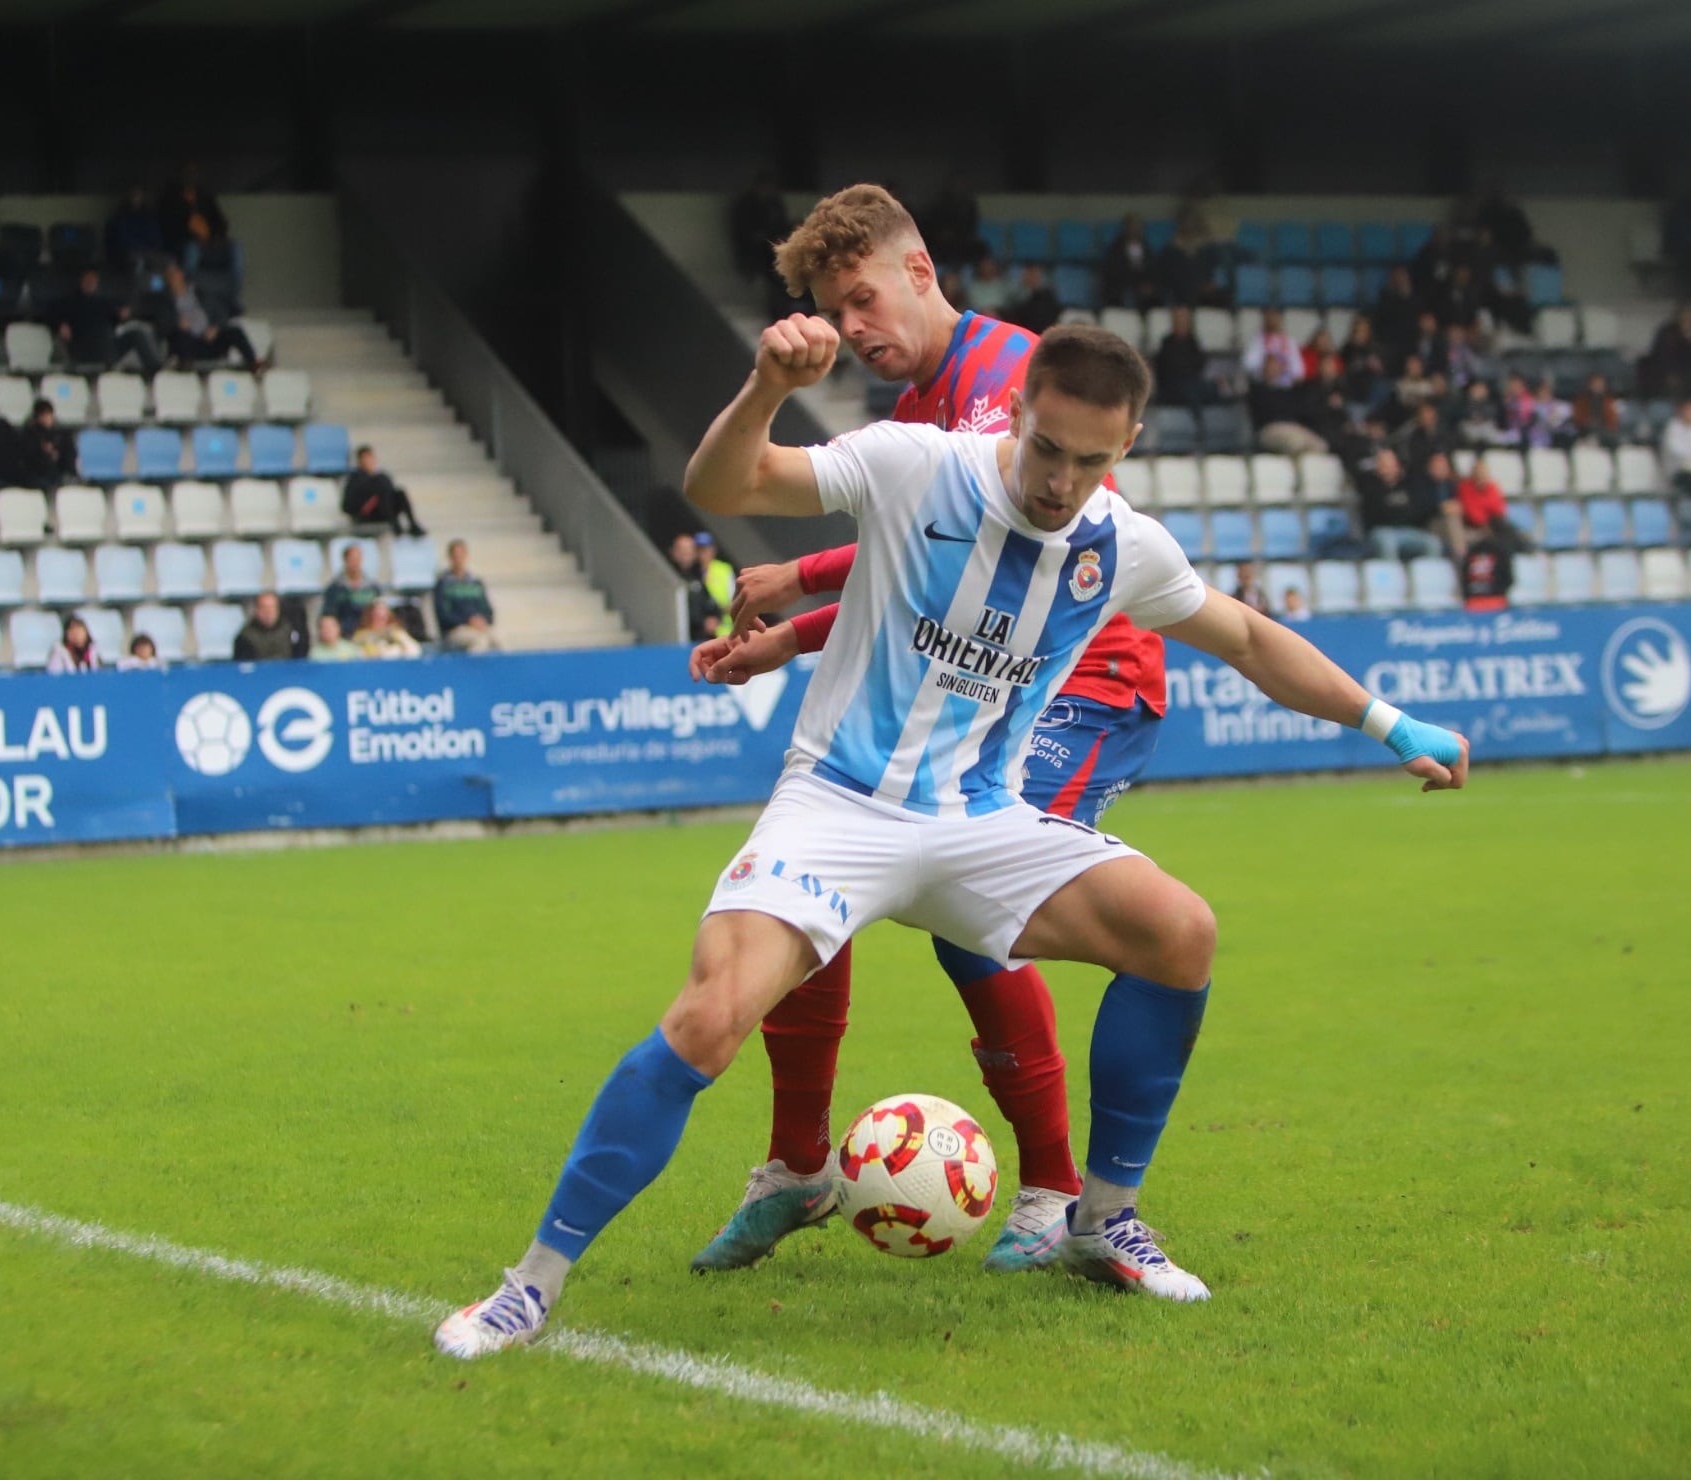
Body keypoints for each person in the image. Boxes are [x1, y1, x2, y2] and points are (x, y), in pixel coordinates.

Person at [431, 317, 1469, 1360]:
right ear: (1016, 412)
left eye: (1092, 460)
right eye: (1048, 447)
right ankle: (528, 1286)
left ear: (1130, 445)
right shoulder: (913, 465)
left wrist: (1388, 723)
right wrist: (763, 387)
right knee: (708, 1018)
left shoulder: (1123, 546)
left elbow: (1246, 636)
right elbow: (725, 487)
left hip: (982, 822)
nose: (1061, 480)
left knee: (1179, 932)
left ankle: (1099, 1219)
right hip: (839, 804)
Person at [664, 184, 1188, 1279]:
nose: (854, 328)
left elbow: (995, 546)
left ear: (919, 271)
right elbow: (924, 570)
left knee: (971, 916)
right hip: (984, 683)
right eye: (832, 309)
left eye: (861, 298)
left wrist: (799, 577)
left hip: (1081, 682)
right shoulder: (914, 421)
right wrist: (790, 636)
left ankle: (1052, 1188)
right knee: (811, 878)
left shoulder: (1004, 377)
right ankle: (799, 1162)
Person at [54, 268, 163, 374]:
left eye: (93, 281)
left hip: (108, 346)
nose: (91, 283)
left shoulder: (102, 303)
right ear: (82, 281)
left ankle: (155, 370)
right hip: (84, 347)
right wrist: (60, 325)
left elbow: (116, 318)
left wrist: (122, 315)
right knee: (102, 333)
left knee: (136, 334)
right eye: (88, 280)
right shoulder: (70, 302)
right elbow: (50, 315)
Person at [162, 262, 257, 369]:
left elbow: (222, 314)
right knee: (180, 337)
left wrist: (216, 328)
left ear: (181, 274)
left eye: (175, 273)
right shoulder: (166, 301)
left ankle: (253, 364)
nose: (174, 277)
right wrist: (177, 323)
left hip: (209, 338)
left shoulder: (200, 293)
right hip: (189, 342)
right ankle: (185, 367)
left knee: (235, 331)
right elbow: (163, 325)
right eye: (170, 275)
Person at [1354, 446, 1441, 561]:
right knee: (1388, 542)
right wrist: (1399, 512)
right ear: (1377, 466)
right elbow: (1375, 514)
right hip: (1382, 531)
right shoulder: (1370, 486)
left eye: (1389, 462)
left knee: (1433, 543)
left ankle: (1427, 577)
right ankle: (1393, 578)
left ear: (1397, 465)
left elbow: (1417, 511)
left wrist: (1397, 511)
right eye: (1382, 462)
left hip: (1409, 530)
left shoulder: (1408, 485)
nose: (1386, 466)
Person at [434, 540, 500, 653]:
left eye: (461, 555)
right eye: (455, 556)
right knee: (480, 641)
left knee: (499, 638)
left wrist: (482, 620)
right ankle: (475, 670)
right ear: (450, 558)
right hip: (455, 630)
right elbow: (443, 616)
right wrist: (467, 621)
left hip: (478, 627)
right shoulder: (443, 584)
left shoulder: (475, 583)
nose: (459, 559)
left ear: (466, 556)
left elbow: (488, 611)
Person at [342, 446, 424, 535]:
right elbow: (347, 506)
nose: (368, 461)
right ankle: (393, 524)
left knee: (400, 492)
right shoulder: (354, 480)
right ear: (359, 461)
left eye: (370, 458)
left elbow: (390, 493)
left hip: (385, 510)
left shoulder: (382, 477)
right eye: (365, 459)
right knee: (381, 492)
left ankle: (412, 524)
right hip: (367, 515)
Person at [1150, 305, 1212, 408]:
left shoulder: (1193, 342)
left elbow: (1200, 364)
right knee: (1190, 391)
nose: (1182, 322)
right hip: (1172, 386)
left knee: (1211, 388)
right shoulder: (1167, 343)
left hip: (1193, 383)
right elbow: (1166, 368)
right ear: (1174, 322)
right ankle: (1199, 421)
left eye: (1185, 319)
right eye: (1179, 319)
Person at [321, 542, 385, 636]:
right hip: (345, 634)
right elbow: (329, 615)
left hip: (369, 633)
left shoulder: (373, 587)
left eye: (358, 559)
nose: (355, 563)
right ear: (345, 560)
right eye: (352, 559)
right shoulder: (334, 588)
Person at [670, 532, 724, 638]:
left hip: (702, 639)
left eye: (690, 550)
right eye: (682, 550)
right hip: (680, 639)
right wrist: (701, 622)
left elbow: (710, 603)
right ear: (674, 552)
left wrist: (714, 618)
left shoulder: (697, 577)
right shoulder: (669, 577)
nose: (686, 554)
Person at [105, 186, 166, 270]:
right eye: (134, 195)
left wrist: (150, 249)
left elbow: (157, 239)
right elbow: (122, 240)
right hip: (129, 254)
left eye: (139, 195)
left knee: (166, 261)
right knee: (137, 262)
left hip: (148, 252)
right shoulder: (120, 217)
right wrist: (139, 249)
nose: (136, 199)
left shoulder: (148, 217)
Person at [1459, 521, 1515, 612]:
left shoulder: (1471, 552)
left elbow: (1463, 577)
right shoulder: (1501, 552)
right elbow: (1509, 579)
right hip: (1496, 602)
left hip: (1472, 603)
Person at [22, 400, 75, 488]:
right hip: (37, 475)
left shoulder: (62, 434)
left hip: (59, 472)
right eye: (42, 415)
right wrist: (44, 453)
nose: (46, 418)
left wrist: (57, 455)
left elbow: (69, 454)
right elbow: (28, 458)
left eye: (48, 414)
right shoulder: (29, 435)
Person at [232, 593, 299, 661]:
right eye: (264, 608)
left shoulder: (290, 630)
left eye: (272, 608)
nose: (268, 612)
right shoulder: (245, 637)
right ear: (257, 610)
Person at [1002, 263, 1060, 334]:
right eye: (1030, 274)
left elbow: (1052, 314)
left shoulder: (1047, 294)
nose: (1033, 278)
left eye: (1036, 275)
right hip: (1023, 330)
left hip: (1043, 330)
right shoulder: (1017, 294)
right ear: (1024, 276)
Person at [355, 599, 421, 659]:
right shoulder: (361, 636)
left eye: (383, 617)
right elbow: (357, 654)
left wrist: (395, 649)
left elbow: (415, 651)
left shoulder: (397, 632)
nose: (379, 620)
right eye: (376, 616)